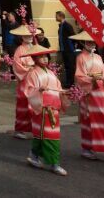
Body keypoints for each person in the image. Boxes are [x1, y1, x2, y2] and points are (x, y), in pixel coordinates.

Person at [71, 30, 104, 164]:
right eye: (88, 41)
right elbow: (79, 76)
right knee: (90, 121)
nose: (91, 43)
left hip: (99, 91)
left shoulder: (98, 57)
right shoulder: (80, 57)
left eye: (92, 41)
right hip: (89, 92)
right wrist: (93, 78)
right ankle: (90, 148)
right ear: (83, 43)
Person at [24, 43, 68, 176]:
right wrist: (38, 89)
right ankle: (54, 163)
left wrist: (64, 93)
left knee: (44, 134)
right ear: (35, 59)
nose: (44, 59)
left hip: (53, 107)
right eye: (41, 57)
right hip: (43, 107)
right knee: (49, 136)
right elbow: (29, 90)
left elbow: (58, 88)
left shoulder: (50, 72)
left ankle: (34, 155)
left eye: (45, 57)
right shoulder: (32, 73)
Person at [11, 24, 36, 139]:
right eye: (26, 35)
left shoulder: (34, 47)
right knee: (23, 104)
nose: (29, 37)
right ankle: (19, 129)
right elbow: (17, 66)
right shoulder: (19, 50)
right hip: (25, 80)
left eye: (30, 34)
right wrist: (28, 69)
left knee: (35, 104)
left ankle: (35, 127)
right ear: (22, 37)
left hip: (35, 80)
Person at [55, 11, 75, 88]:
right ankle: (68, 82)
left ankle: (71, 83)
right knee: (66, 67)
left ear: (60, 16)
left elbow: (72, 36)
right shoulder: (60, 26)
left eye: (56, 16)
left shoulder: (67, 25)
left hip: (69, 50)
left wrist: (72, 46)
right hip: (64, 50)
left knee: (70, 67)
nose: (55, 18)